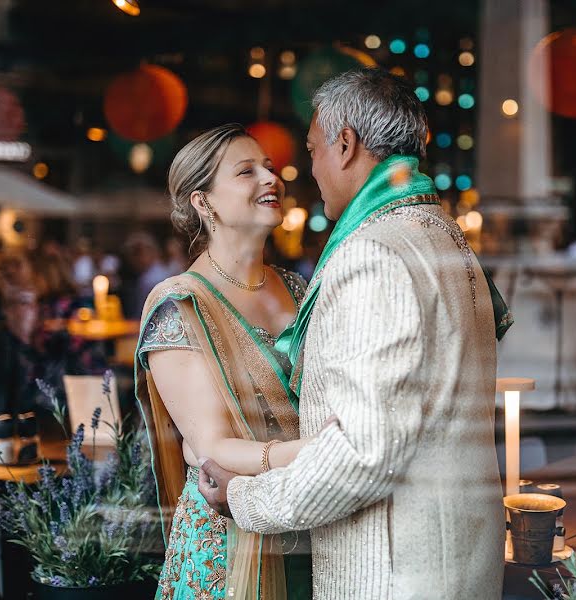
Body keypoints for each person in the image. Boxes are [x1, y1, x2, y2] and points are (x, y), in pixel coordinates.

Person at [198, 69, 513, 599]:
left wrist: (247, 499)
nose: (311, 169)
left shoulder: (372, 253)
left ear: (346, 146)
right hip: (458, 558)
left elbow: (362, 453)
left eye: (314, 149)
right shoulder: (444, 234)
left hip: (394, 573)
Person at [135, 124, 319, 600]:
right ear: (203, 202)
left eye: (271, 168)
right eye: (246, 171)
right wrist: (318, 452)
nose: (270, 179)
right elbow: (212, 445)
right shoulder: (181, 306)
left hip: (307, 514)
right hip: (230, 533)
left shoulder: (297, 288)